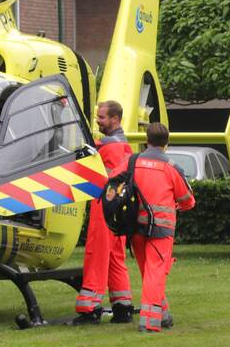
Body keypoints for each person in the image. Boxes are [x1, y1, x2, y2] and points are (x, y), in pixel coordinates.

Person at [126, 122, 196, 332]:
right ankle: (149, 321)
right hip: (161, 229)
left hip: (136, 226)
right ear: (167, 143)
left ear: (146, 140)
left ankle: (163, 314)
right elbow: (187, 200)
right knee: (155, 273)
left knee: (148, 272)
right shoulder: (171, 167)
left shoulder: (133, 161)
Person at [71, 100, 134, 324]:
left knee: (96, 254)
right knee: (116, 257)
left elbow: (93, 173)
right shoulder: (124, 145)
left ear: (115, 119)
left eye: (102, 117)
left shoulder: (108, 147)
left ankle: (90, 309)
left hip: (103, 207)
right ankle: (122, 306)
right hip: (119, 210)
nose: (97, 121)